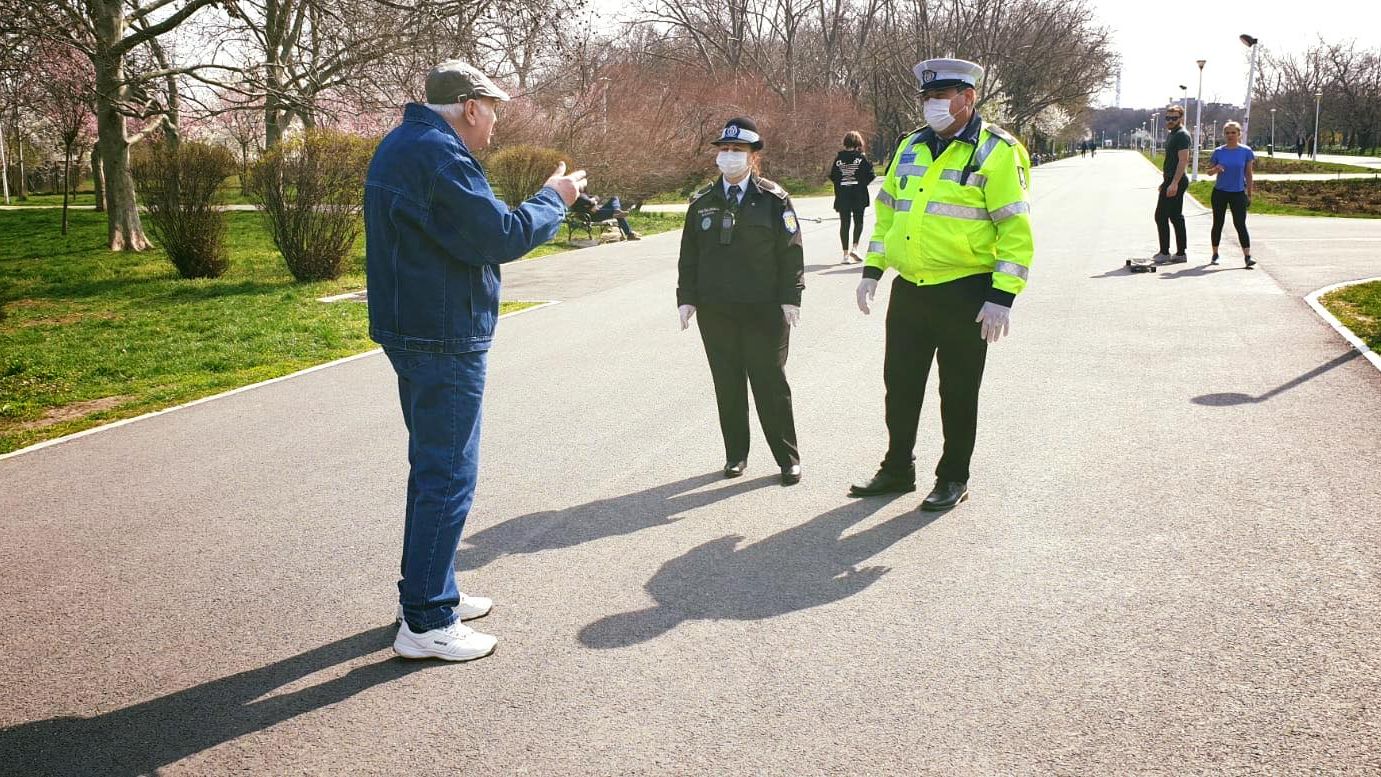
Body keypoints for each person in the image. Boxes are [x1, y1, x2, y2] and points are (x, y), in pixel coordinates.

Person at [363, 60, 587, 662]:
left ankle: (434, 592)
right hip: (442, 334)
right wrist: (554, 198)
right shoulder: (438, 156)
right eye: (493, 112)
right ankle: (428, 621)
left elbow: (465, 234)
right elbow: (499, 236)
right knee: (447, 474)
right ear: (469, 106)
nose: (494, 126)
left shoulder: (408, 145)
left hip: (418, 327)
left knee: (435, 468)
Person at [850, 57, 1033, 511]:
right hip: (910, 289)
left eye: (939, 98)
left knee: (958, 391)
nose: (931, 106)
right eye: (927, 98)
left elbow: (1015, 229)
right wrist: (873, 270)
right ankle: (897, 468)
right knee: (900, 385)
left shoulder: (996, 150)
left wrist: (1002, 297)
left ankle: (953, 476)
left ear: (966, 99)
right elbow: (887, 213)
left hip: (965, 291)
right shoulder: (910, 146)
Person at [677, 117, 805, 486]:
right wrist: (686, 299)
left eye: (738, 151)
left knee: (769, 383)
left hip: (763, 309)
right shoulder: (701, 201)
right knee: (727, 384)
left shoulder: (773, 199)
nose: (729, 156)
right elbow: (689, 256)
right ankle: (736, 455)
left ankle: (787, 458)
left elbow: (791, 252)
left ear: (753, 157)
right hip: (717, 310)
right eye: (724, 150)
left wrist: (791, 297)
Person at [1206, 120, 1256, 268]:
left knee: (1240, 224)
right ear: (1224, 135)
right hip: (1220, 192)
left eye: (1233, 132)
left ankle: (1247, 256)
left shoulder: (1246, 151)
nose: (1230, 135)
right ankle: (1215, 254)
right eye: (1227, 133)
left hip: (1238, 192)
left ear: (1239, 134)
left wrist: (1249, 194)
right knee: (1218, 223)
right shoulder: (1219, 152)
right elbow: (1209, 172)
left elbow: (1249, 173)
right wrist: (1216, 169)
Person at [1152, 105, 1191, 264]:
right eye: (1168, 118)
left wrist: (1174, 183)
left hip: (1177, 179)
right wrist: (1166, 182)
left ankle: (1165, 252)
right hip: (1170, 179)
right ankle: (1180, 253)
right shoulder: (1172, 134)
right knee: (1175, 216)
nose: (1170, 121)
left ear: (1180, 118)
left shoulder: (1181, 135)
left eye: (1174, 118)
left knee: (1161, 216)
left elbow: (1183, 160)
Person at [829, 131, 875, 264]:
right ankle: (855, 247)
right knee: (858, 221)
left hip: (843, 195)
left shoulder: (838, 159)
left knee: (844, 223)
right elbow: (871, 175)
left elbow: (833, 176)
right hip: (858, 195)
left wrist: (842, 185)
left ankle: (845, 255)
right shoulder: (861, 158)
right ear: (858, 143)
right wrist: (861, 184)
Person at [573, 192, 640, 240]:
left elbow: (596, 197)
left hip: (599, 210)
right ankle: (629, 233)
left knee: (614, 198)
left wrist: (594, 201)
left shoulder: (582, 193)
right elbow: (586, 202)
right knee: (618, 215)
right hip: (592, 216)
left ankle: (616, 210)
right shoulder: (575, 197)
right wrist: (591, 205)